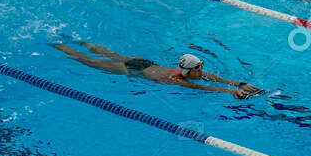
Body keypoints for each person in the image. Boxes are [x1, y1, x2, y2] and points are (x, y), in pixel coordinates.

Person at [54, 42, 262, 98]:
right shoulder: (178, 80)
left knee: (110, 52)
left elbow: (214, 78)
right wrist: (230, 92)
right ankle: (61, 47)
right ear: (190, 71)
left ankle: (80, 41)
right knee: (91, 62)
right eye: (200, 67)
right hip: (133, 69)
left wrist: (239, 84)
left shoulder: (191, 72)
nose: (203, 69)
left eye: (202, 65)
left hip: (144, 62)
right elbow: (204, 89)